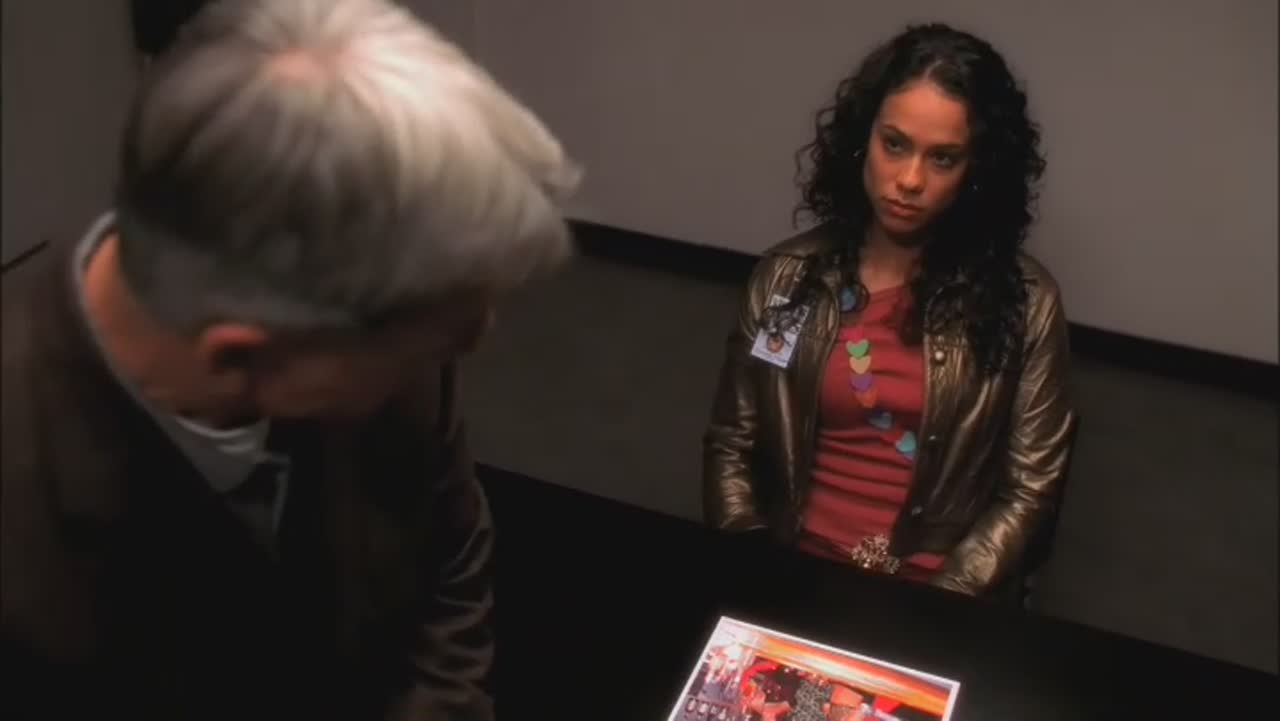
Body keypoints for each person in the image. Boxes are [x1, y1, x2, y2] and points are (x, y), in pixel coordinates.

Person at [0, 0, 580, 719]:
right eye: (440, 341)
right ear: (242, 357)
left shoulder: (389, 308)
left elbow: (449, 556)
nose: (471, 344)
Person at [703, 23, 1076, 597]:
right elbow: (733, 445)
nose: (909, 180)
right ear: (863, 139)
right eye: (894, 144)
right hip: (795, 573)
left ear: (977, 170)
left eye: (943, 158)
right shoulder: (788, 279)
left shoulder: (1028, 302)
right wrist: (761, 572)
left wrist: (939, 603)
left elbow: (1030, 491)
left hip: (942, 594)